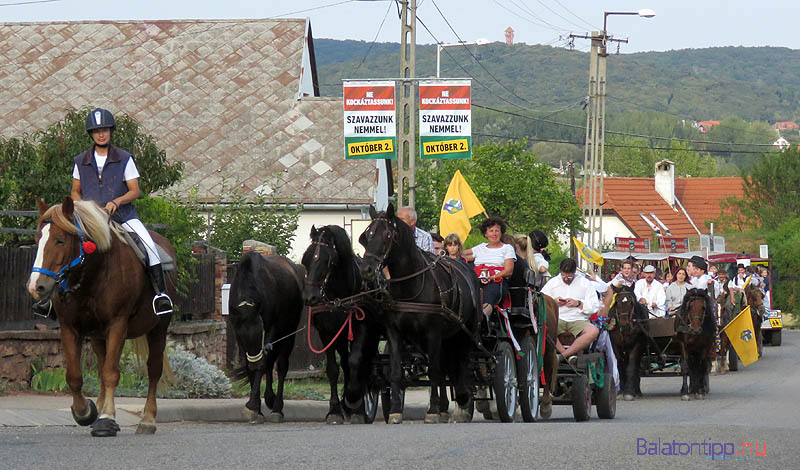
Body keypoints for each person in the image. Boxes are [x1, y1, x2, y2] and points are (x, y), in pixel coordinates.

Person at [71, 108, 173, 315]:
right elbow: (75, 191)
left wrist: (117, 201)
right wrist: (84, 209)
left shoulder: (124, 158)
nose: (101, 134)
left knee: (149, 247)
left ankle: (160, 296)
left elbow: (135, 190)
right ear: (91, 134)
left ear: (111, 131)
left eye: (105, 130)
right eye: (97, 130)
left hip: (123, 216)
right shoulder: (80, 161)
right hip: (91, 220)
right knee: (62, 244)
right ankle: (55, 299)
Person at [541, 258, 600, 359]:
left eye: (570, 276)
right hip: (558, 318)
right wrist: (554, 302)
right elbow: (541, 301)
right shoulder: (553, 283)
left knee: (593, 331)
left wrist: (578, 303)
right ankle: (565, 354)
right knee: (544, 327)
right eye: (564, 276)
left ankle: (563, 356)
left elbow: (595, 306)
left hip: (578, 319)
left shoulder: (585, 283)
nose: (566, 279)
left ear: (574, 273)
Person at [462, 216, 516, 316]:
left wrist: (491, 277)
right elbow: (461, 254)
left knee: (488, 295)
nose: (494, 234)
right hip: (476, 279)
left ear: (501, 233)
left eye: (497, 231)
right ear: (486, 234)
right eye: (491, 231)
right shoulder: (481, 247)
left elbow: (508, 271)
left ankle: (483, 319)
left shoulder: (507, 248)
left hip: (496, 281)